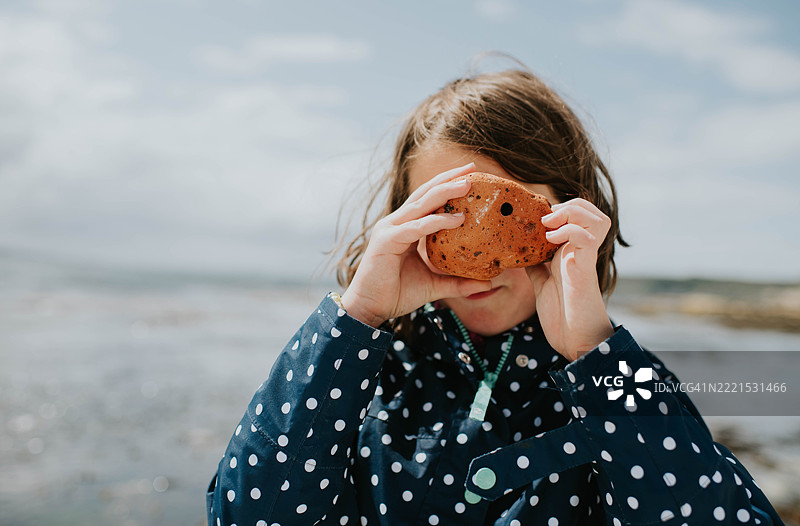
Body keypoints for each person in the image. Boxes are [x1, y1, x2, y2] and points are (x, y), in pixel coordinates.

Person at [206, 65, 785, 525]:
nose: (482, 257)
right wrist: (358, 317)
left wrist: (594, 352)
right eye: (445, 217)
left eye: (508, 214)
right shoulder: (363, 375)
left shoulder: (617, 375)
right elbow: (245, 517)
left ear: (571, 209)